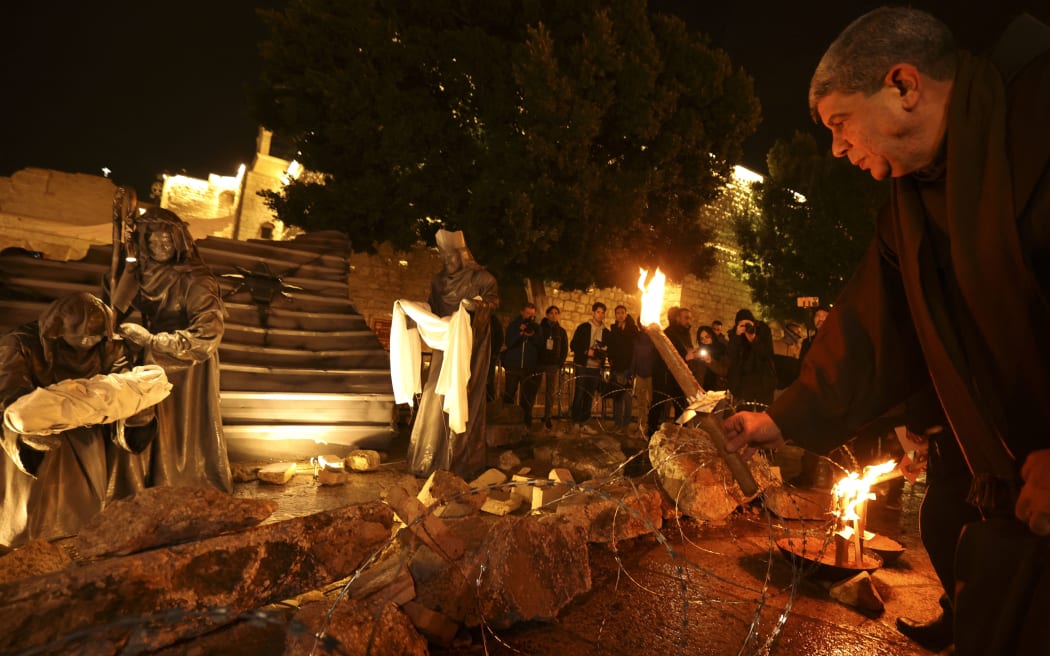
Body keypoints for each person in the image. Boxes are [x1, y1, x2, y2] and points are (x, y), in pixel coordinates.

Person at [723, 9, 1050, 654]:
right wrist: (781, 419)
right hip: (1007, 493)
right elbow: (875, 323)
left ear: (904, 85)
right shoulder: (912, 202)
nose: (838, 149)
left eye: (841, 123)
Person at [0, 293, 155, 547]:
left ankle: (79, 539)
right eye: (80, 335)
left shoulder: (110, 345)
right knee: (35, 504)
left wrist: (136, 413)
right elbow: (8, 392)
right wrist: (24, 432)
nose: (87, 341)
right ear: (57, 329)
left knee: (84, 499)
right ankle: (28, 544)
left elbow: (120, 382)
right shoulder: (19, 344)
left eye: (94, 335)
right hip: (39, 434)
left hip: (86, 433)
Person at [109, 208, 232, 496]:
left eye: (165, 242)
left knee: (176, 430)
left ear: (178, 242)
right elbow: (115, 309)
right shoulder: (143, 271)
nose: (158, 248)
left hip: (186, 363)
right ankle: (138, 486)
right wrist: (127, 272)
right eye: (151, 242)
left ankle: (177, 483)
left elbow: (207, 337)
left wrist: (151, 340)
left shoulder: (197, 280)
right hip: (152, 355)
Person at [405, 229, 499, 478]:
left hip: (471, 348)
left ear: (462, 255)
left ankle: (461, 461)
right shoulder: (438, 282)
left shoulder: (482, 279)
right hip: (444, 345)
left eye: (450, 256)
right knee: (433, 394)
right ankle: (427, 457)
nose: (446, 262)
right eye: (443, 257)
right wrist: (417, 313)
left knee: (464, 395)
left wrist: (475, 306)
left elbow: (492, 303)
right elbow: (433, 307)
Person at [569, 302, 609, 435]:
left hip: (596, 368)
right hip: (583, 365)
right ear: (593, 312)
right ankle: (575, 422)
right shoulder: (583, 328)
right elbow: (574, 344)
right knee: (579, 394)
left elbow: (607, 350)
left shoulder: (606, 332)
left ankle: (584, 423)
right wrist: (587, 352)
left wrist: (601, 354)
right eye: (598, 312)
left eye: (603, 312)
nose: (600, 315)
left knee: (589, 396)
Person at [501, 302, 542, 428]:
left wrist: (532, 336)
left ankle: (525, 425)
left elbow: (541, 344)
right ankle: (507, 422)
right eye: (528, 313)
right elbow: (509, 342)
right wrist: (520, 333)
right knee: (509, 395)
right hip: (513, 366)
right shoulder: (514, 325)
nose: (530, 316)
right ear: (522, 312)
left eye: (532, 314)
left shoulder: (537, 328)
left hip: (528, 368)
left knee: (527, 398)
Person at [726, 309, 776, 408]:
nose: (746, 328)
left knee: (763, 412)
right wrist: (737, 336)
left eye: (748, 324)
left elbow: (767, 354)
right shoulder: (735, 333)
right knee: (743, 412)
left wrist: (753, 339)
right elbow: (731, 355)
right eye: (742, 325)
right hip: (742, 381)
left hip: (763, 379)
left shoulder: (763, 330)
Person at [606, 305, 638, 432]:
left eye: (622, 313)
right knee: (617, 397)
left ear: (626, 314)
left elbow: (633, 349)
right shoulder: (614, 329)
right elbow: (611, 347)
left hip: (628, 368)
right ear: (615, 315)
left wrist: (632, 369)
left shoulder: (632, 329)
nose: (620, 315)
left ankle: (625, 424)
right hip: (616, 367)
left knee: (627, 397)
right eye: (617, 313)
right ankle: (617, 422)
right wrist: (611, 359)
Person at [538, 305, 568, 430]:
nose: (554, 315)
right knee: (536, 389)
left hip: (553, 364)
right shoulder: (540, 329)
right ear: (547, 315)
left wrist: (560, 363)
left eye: (556, 313)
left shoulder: (561, 331)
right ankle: (528, 414)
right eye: (551, 313)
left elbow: (564, 349)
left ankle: (548, 416)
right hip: (540, 363)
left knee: (550, 392)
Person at [695, 325, 728, 391]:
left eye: (707, 337)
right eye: (702, 339)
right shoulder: (699, 351)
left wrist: (711, 362)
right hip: (703, 389)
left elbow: (725, 371)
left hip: (718, 389)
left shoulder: (722, 349)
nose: (705, 340)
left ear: (712, 336)